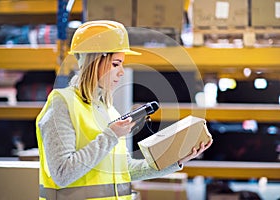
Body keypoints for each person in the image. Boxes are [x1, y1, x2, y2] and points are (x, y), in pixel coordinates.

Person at [36, 20, 213, 200]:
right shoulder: (62, 104)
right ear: (95, 61)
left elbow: (125, 169)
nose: (121, 72)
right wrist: (110, 136)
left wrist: (175, 160)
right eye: (116, 64)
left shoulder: (108, 110)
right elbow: (62, 174)